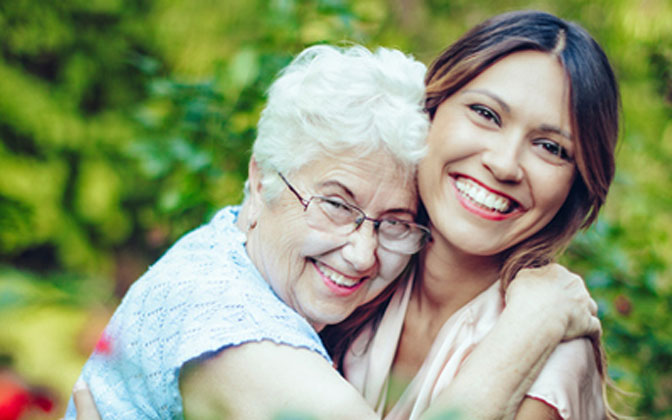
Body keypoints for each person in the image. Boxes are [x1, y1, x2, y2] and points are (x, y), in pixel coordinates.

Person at [68, 38, 604, 419]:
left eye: (395, 222)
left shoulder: (261, 264)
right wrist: (533, 322)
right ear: (260, 180)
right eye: (335, 205)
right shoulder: (231, 328)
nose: (361, 254)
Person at [322, 10, 621, 420]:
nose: (504, 165)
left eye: (550, 147)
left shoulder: (552, 363)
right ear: (431, 109)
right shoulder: (348, 268)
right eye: (486, 114)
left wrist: (527, 331)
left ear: (576, 186)